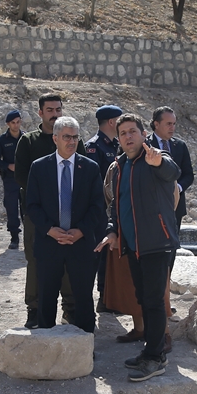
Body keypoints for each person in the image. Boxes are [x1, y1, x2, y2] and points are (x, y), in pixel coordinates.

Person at [98, 112, 180, 382]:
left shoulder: (155, 158)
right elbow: (116, 207)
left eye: (133, 131)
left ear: (144, 134)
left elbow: (172, 171)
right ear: (118, 139)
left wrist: (158, 162)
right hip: (133, 247)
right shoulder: (120, 165)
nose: (128, 137)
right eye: (123, 133)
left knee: (155, 302)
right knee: (144, 300)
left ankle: (156, 358)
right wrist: (112, 232)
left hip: (157, 242)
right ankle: (150, 351)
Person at [26, 116, 105, 334]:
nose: (71, 141)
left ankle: (85, 345)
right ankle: (45, 343)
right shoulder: (40, 167)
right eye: (66, 137)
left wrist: (81, 231)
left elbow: (97, 206)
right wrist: (50, 230)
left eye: (75, 137)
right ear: (55, 139)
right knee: (46, 297)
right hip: (49, 243)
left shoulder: (90, 168)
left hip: (80, 244)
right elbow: (32, 205)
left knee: (83, 298)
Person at [15, 93, 75, 329]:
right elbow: (21, 176)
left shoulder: (71, 139)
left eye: (58, 109)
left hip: (68, 212)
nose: (55, 114)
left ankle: (70, 308)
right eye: (50, 110)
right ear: (40, 113)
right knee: (36, 261)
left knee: (69, 260)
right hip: (37, 215)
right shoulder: (29, 142)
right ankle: (35, 309)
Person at [85, 104, 121, 309]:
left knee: (113, 252)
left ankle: (111, 295)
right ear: (111, 122)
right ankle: (102, 297)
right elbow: (93, 180)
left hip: (115, 208)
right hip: (101, 209)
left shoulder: (118, 143)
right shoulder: (94, 146)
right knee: (101, 252)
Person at [146, 106, 195, 232]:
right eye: (168, 124)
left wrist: (177, 188)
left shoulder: (180, 146)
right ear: (156, 124)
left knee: (173, 246)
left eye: (174, 124)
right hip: (153, 206)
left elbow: (188, 175)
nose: (172, 128)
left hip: (175, 206)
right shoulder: (146, 146)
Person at [0, 109, 23, 250]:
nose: (16, 125)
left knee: (28, 208)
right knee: (11, 208)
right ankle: (14, 237)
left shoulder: (26, 138)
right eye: (13, 123)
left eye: (18, 122)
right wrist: (8, 166)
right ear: (8, 124)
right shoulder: (1, 141)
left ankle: (31, 236)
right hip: (10, 180)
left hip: (25, 179)